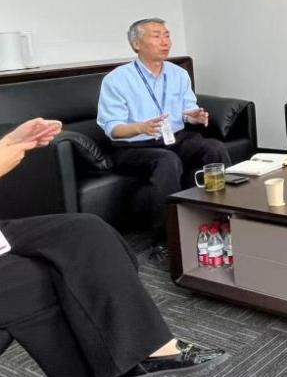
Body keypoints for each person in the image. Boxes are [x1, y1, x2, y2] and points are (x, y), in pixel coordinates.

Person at [0, 0, 226, 377]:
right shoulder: (119, 79)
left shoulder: (177, 75)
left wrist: (2, 147)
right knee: (47, 279)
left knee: (88, 232)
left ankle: (153, 350)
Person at [97, 18, 230, 245]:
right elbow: (112, 128)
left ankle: (221, 217)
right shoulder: (117, 79)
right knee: (167, 161)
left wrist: (194, 116)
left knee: (213, 148)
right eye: (156, 36)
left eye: (167, 35)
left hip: (174, 138)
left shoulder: (178, 74)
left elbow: (186, 110)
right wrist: (140, 127)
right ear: (136, 44)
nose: (165, 41)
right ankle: (168, 238)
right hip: (134, 145)